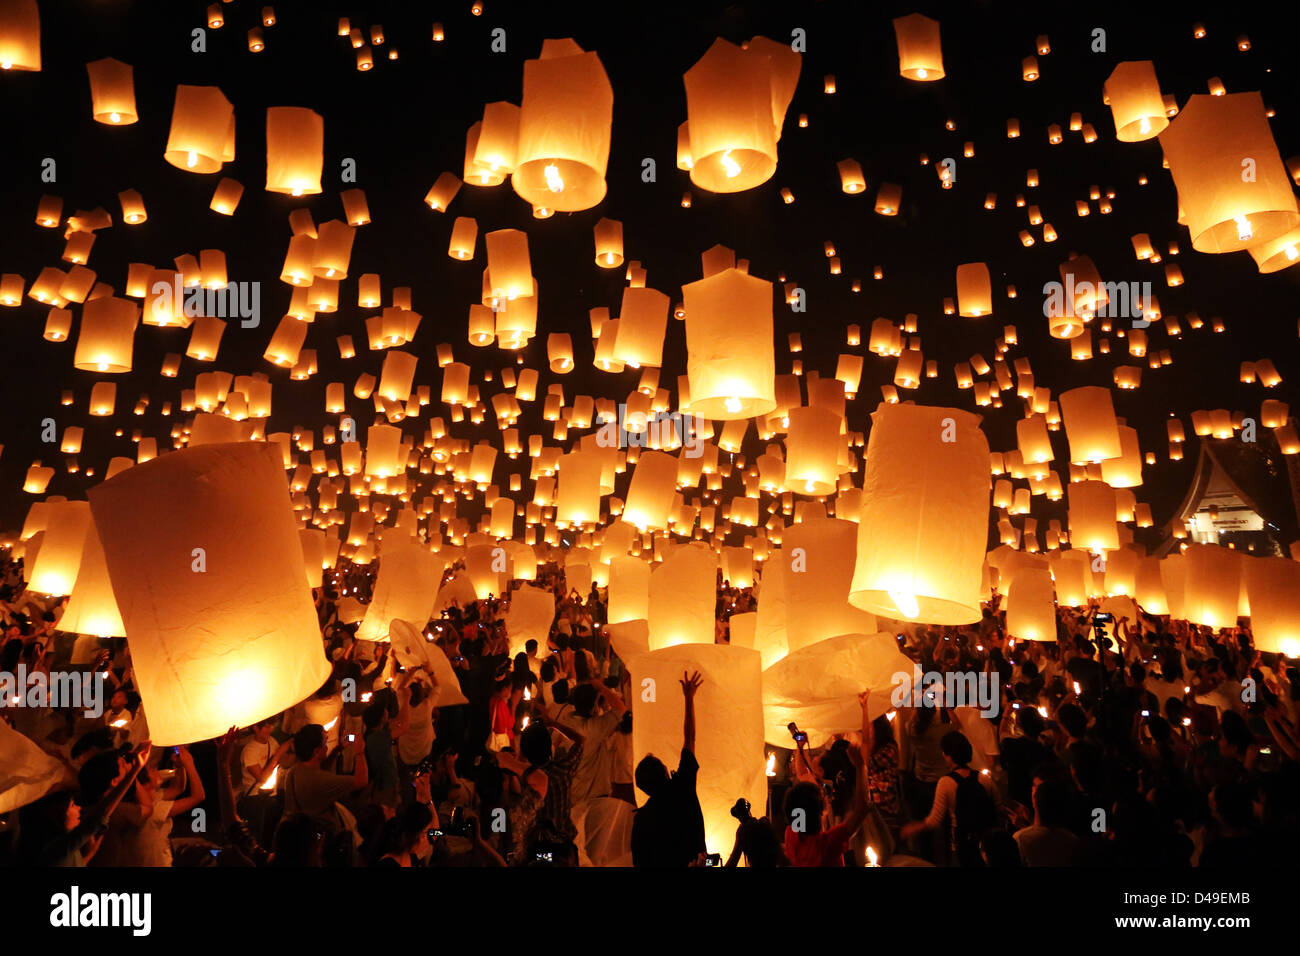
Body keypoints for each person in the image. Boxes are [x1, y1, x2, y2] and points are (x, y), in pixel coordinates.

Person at [631, 671, 707, 866]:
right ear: (665, 772)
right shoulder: (682, 786)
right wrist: (689, 698)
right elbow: (690, 737)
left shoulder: (642, 819)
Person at [901, 731, 998, 867]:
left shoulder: (946, 782)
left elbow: (934, 820)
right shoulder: (984, 779)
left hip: (960, 844)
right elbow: (998, 808)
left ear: (949, 756)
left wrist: (914, 828)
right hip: (986, 842)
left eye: (944, 752)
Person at [783, 741, 869, 867]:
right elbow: (861, 810)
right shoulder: (828, 844)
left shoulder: (791, 835)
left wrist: (800, 748)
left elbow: (802, 779)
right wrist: (860, 766)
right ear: (820, 811)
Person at [281, 724, 368, 828]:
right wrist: (360, 752)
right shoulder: (319, 780)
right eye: (326, 742)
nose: (327, 746)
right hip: (322, 834)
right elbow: (361, 781)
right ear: (316, 751)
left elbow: (320, 768)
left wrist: (338, 749)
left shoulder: (294, 770)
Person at [1011, 777, 1080, 866]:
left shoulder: (1020, 839)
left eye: (1036, 787)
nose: (1033, 789)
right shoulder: (1073, 839)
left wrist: (1026, 829)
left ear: (1035, 800)